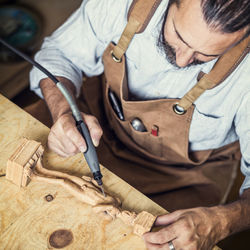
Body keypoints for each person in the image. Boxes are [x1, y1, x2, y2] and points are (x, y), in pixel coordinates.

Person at [29, 0, 250, 249]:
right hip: (92, 126)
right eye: (179, 37)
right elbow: (60, 54)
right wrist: (63, 112)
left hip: (181, 179)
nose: (182, 60)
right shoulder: (122, 4)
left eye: (206, 55)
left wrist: (222, 221)